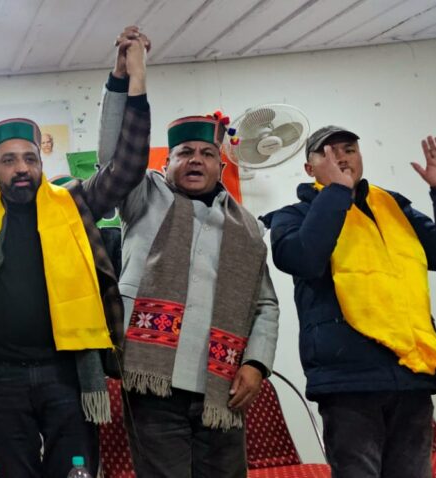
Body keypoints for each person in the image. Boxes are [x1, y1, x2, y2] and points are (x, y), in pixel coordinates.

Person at [0, 28, 151, 478]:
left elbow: (127, 166)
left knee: (76, 473)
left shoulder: (74, 203)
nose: (22, 168)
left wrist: (132, 80)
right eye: (9, 160)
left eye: (30, 158)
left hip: (67, 374)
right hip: (1, 378)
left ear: (42, 164)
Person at [262, 128, 436, 477]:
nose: (341, 157)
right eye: (328, 152)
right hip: (347, 378)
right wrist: (337, 192)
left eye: (349, 149)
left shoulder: (393, 208)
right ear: (309, 169)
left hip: (411, 370)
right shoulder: (292, 216)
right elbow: (304, 258)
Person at [114, 91, 279, 478]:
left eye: (206, 153)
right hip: (153, 385)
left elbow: (265, 304)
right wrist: (128, 86)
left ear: (220, 166)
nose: (195, 160)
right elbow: (116, 157)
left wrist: (256, 363)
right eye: (185, 152)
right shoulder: (143, 198)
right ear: (166, 162)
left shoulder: (247, 227)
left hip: (221, 386)